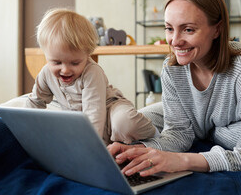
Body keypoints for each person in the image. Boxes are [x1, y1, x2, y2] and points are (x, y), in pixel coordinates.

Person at [107, 0, 241, 177]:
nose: (175, 41)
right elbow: (179, 133)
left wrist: (183, 160)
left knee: (227, 135)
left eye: (188, 29)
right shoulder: (171, 68)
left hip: (231, 122)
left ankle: (214, 131)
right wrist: (141, 150)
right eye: (169, 28)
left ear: (217, 29)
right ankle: (210, 130)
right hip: (191, 119)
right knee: (130, 125)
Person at [25, 8, 157, 145]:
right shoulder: (46, 73)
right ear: (46, 54)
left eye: (75, 63)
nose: (65, 70)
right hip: (83, 122)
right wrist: (24, 129)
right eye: (56, 62)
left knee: (125, 123)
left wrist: (91, 150)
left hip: (109, 111)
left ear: (87, 54)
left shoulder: (92, 72)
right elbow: (35, 103)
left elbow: (94, 115)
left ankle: (154, 132)